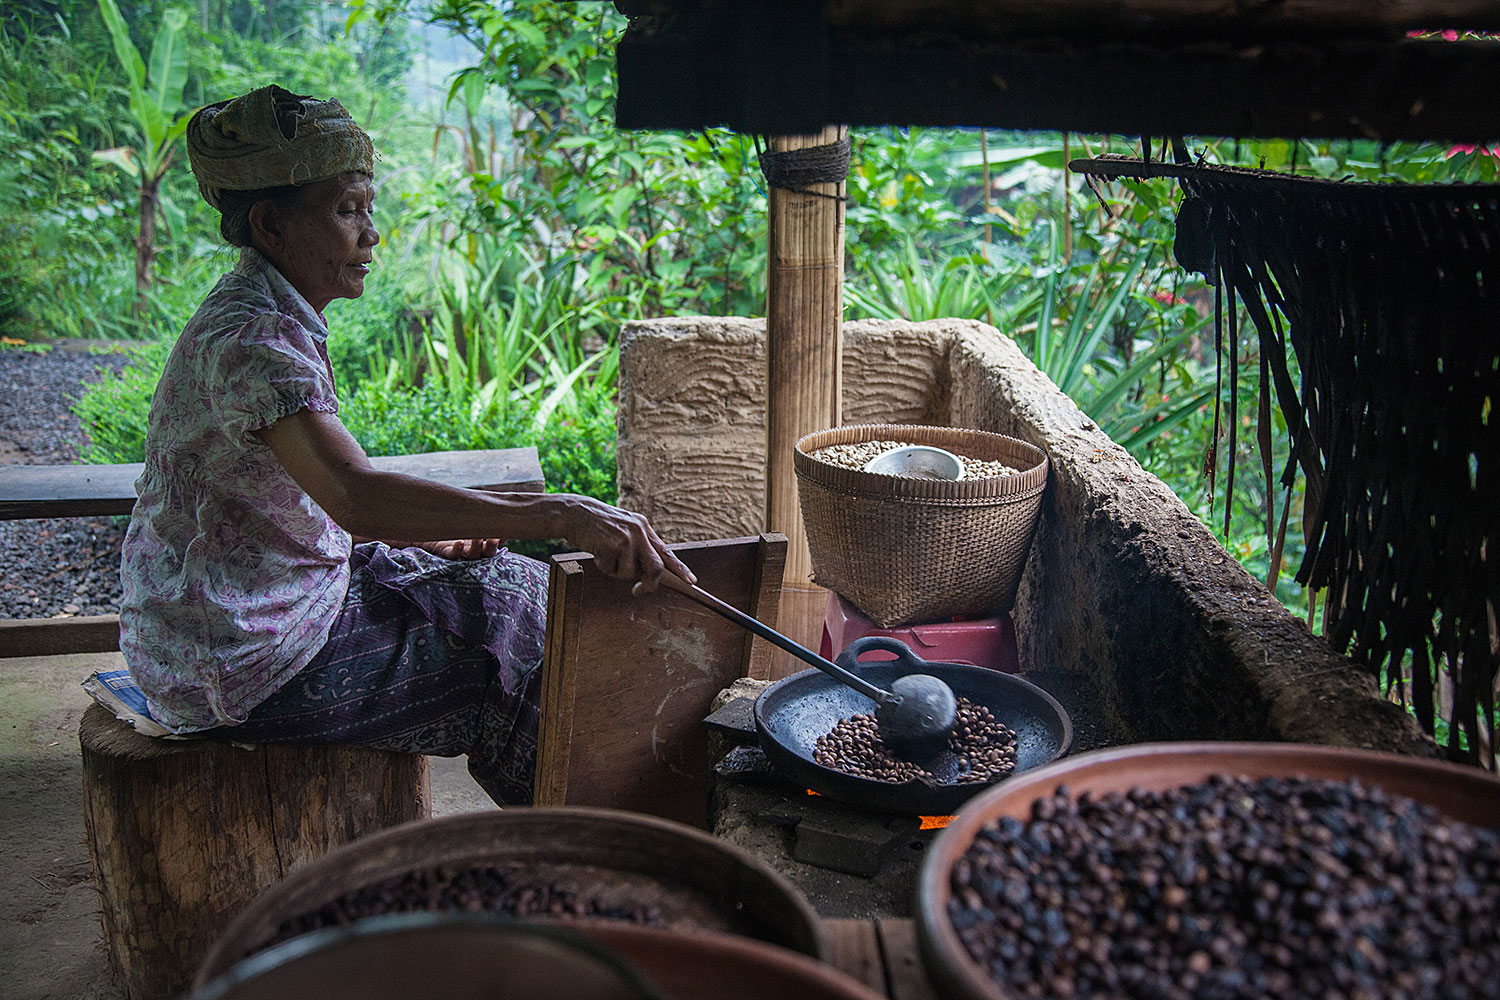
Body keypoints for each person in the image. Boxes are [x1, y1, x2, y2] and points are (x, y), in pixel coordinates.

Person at [117, 85, 694, 805]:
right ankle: (581, 844)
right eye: (346, 210)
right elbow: (355, 495)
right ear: (270, 223)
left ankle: (584, 824)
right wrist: (562, 514)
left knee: (517, 588)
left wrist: (443, 531)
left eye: (367, 206)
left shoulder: (264, 313)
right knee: (506, 661)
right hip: (236, 658)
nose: (372, 233)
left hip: (250, 602)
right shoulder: (253, 340)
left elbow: (293, 499)